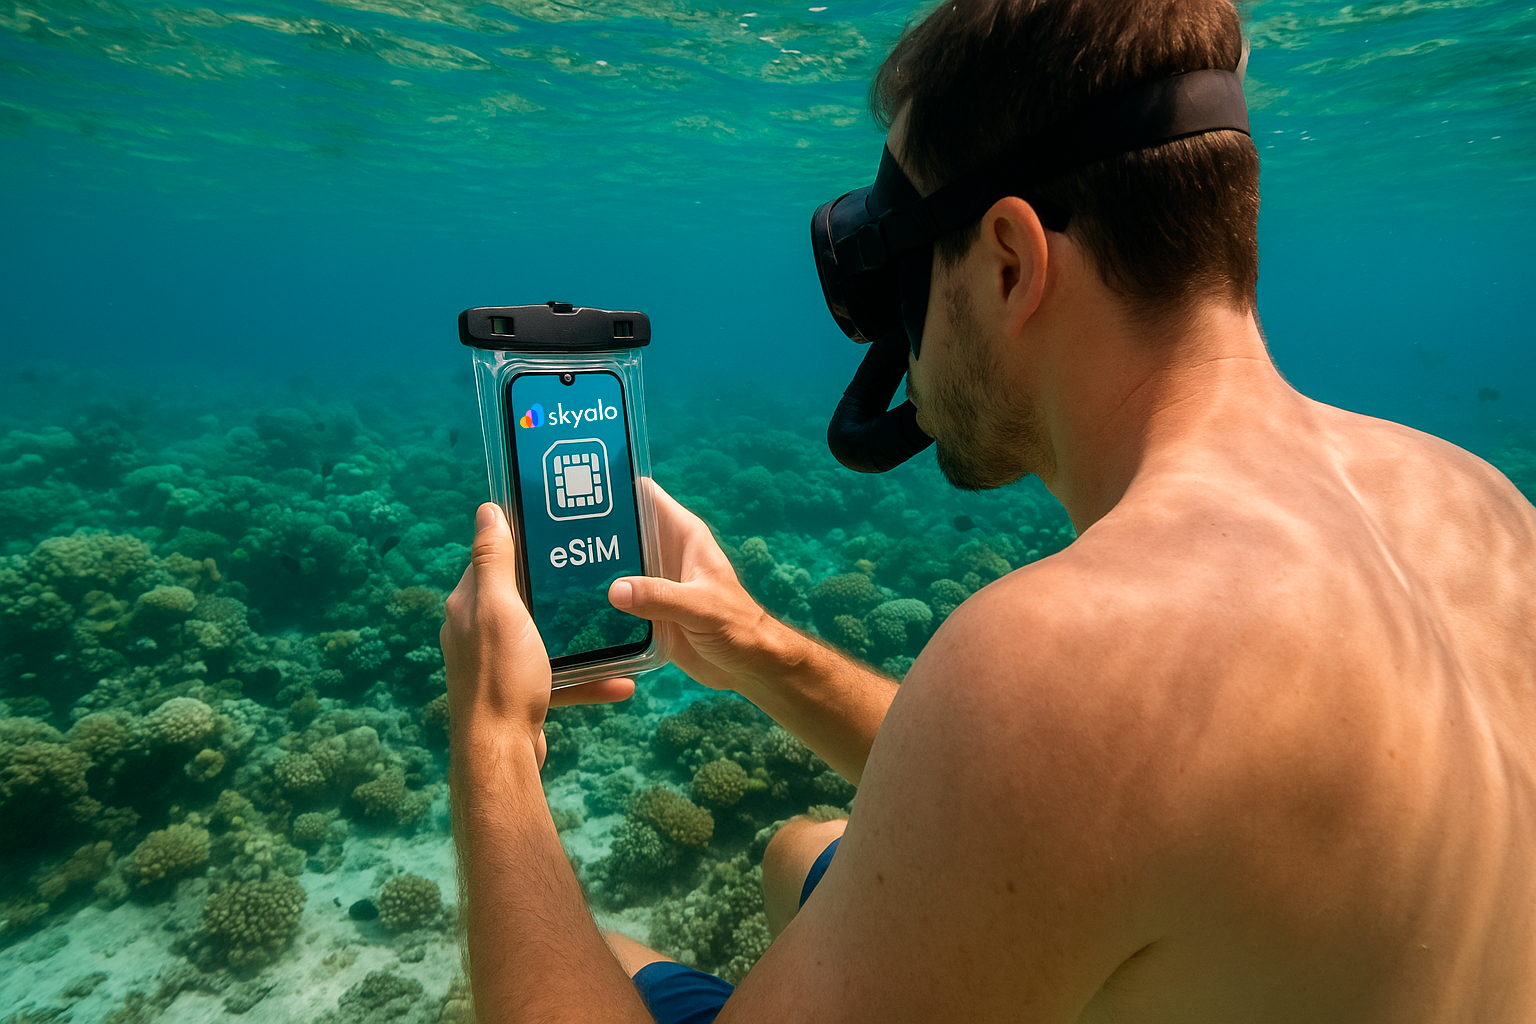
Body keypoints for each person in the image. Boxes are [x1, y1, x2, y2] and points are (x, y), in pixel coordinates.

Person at [438, 0, 1536, 1020]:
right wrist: (763, 647)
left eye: (908, 274)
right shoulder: (1484, 510)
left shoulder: (1070, 660)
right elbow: (1072, 803)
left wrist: (492, 734)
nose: (901, 345)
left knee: (617, 960)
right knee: (797, 850)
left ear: (1010, 260)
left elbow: (1062, 745)